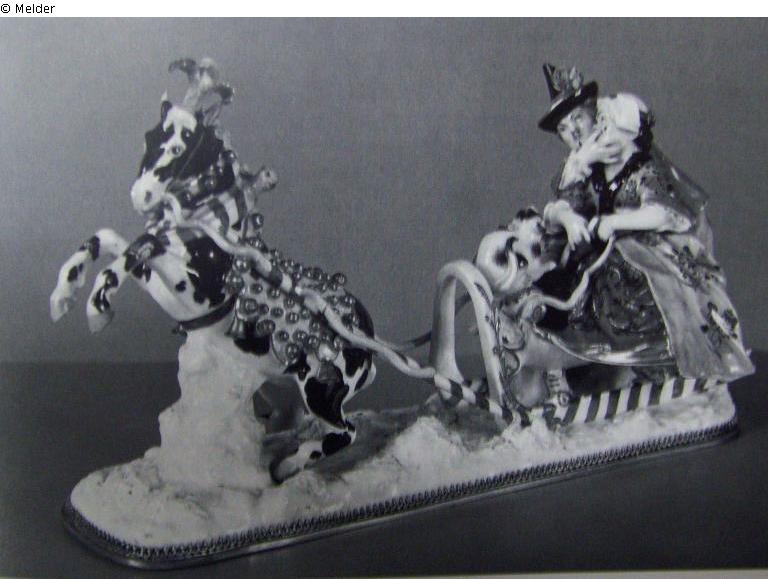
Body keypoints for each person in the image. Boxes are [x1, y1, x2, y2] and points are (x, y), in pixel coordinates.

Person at [534, 64, 753, 383]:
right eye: (565, 129)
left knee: (630, 281)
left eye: (579, 119)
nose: (576, 133)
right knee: (562, 281)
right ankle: (584, 362)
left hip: (646, 255)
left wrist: (614, 222)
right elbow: (563, 202)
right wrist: (568, 214)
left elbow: (665, 212)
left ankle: (655, 364)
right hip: (599, 255)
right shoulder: (587, 167)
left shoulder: (642, 170)